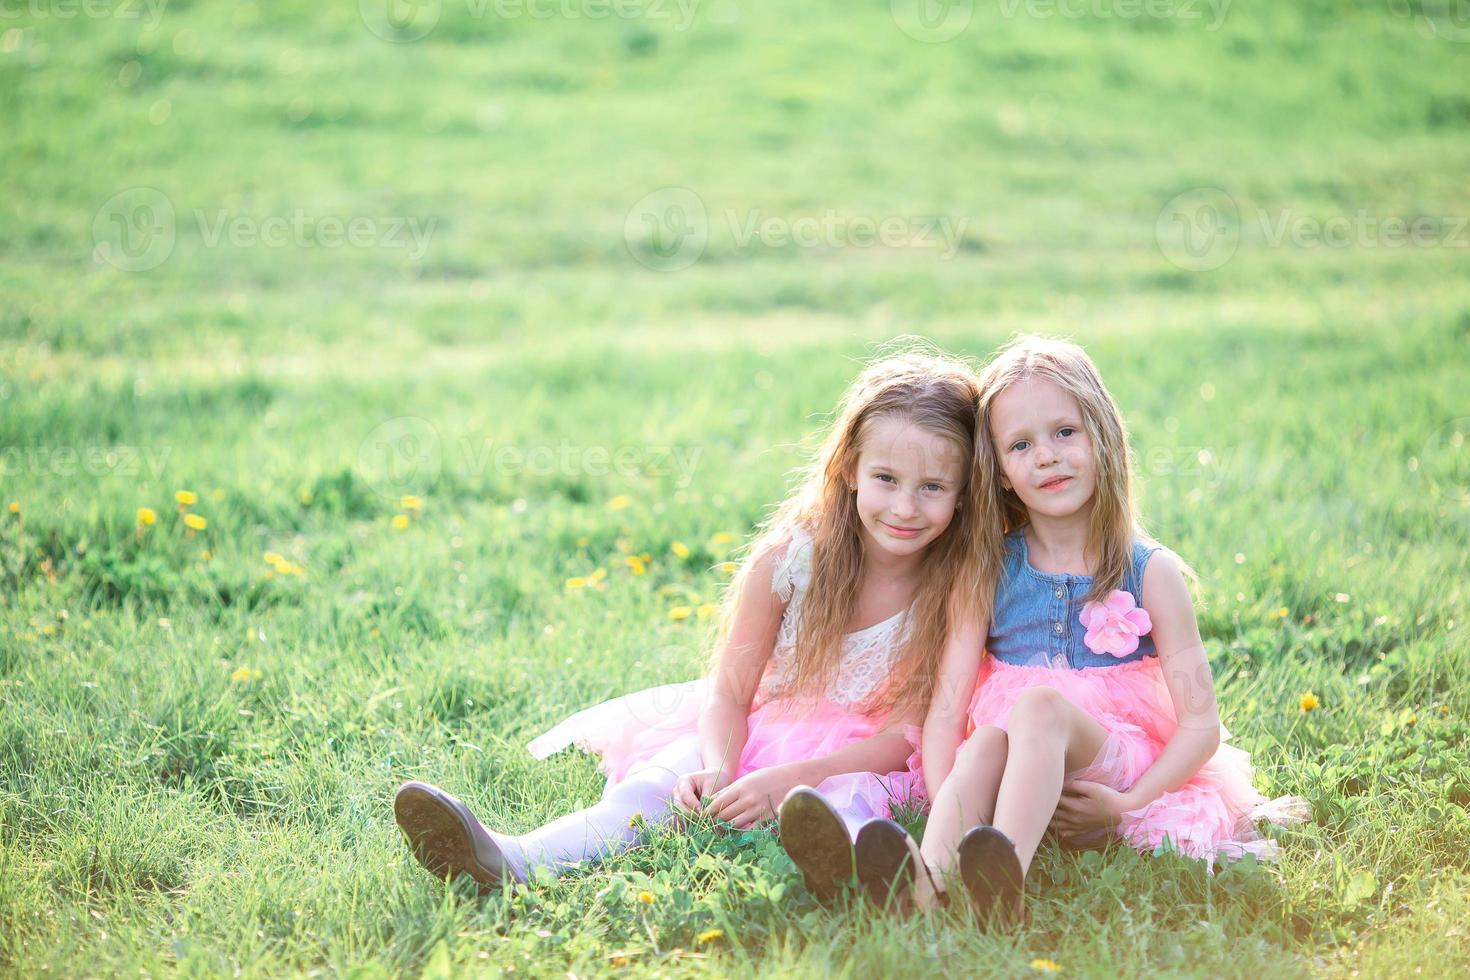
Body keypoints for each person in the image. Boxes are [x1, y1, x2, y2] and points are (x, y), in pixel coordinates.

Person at [393, 348, 986, 897]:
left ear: (963, 495)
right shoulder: (791, 560)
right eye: (886, 479)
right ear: (851, 468)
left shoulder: (956, 586)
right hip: (757, 730)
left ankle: (874, 880)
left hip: (862, 760)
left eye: (932, 487)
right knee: (656, 787)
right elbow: (729, 691)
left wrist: (795, 776)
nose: (905, 508)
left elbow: (907, 734)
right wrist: (721, 767)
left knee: (845, 809)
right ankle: (514, 856)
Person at [852, 336, 1307, 924]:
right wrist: (955, 802)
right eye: (1021, 444)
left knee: (1039, 708)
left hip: (1116, 766)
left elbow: (1201, 726)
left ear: (1104, 437)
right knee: (987, 739)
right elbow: (946, 709)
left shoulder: (1150, 571)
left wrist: (1126, 805)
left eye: (1065, 432)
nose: (1046, 455)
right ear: (1002, 474)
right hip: (1018, 766)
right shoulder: (987, 570)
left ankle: (1001, 882)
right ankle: (933, 878)